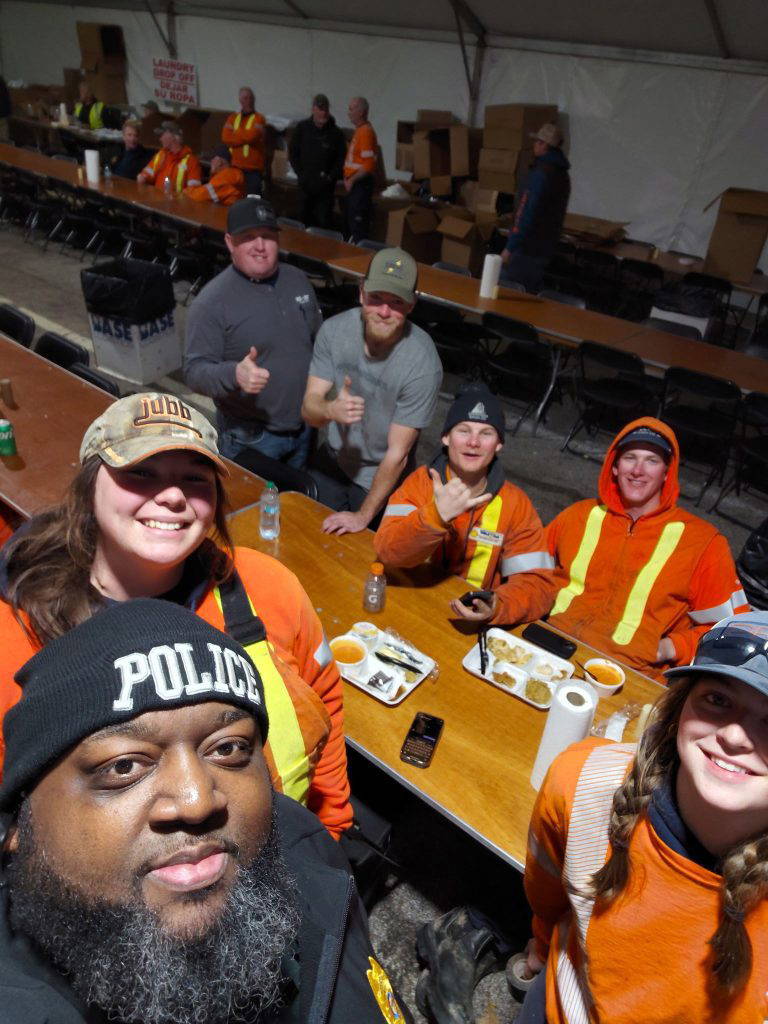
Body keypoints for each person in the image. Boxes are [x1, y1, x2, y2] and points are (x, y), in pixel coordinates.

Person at [0, 599, 405, 1023]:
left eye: (228, 748)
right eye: (124, 767)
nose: (197, 801)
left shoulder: (304, 846)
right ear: (19, 826)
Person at [0, 392, 352, 838]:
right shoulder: (17, 634)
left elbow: (326, 699)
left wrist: (331, 833)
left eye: (194, 478)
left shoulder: (267, 587)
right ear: (89, 488)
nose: (171, 496)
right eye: (140, 473)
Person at [520, 610, 768, 1024]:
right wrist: (544, 945)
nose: (735, 735)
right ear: (680, 708)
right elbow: (546, 891)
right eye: (718, 700)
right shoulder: (584, 781)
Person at [545, 417, 748, 681]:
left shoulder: (703, 542)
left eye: (652, 460)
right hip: (549, 646)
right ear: (615, 466)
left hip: (628, 673)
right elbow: (529, 575)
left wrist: (668, 648)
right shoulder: (579, 515)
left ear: (667, 472)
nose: (638, 470)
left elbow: (731, 631)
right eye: (630, 457)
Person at [374, 384, 556, 626]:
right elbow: (387, 552)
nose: (473, 442)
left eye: (486, 433)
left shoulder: (515, 504)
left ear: (499, 444)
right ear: (446, 438)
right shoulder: (421, 484)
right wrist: (435, 517)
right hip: (407, 604)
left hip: (468, 624)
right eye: (464, 430)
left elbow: (539, 585)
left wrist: (497, 606)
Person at [302, 247, 442, 535]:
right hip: (333, 461)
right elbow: (309, 412)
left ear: (412, 304)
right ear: (361, 292)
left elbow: (397, 455)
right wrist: (329, 409)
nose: (384, 311)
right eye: (376, 298)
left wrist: (362, 516)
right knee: (310, 538)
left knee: (365, 559)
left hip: (380, 477)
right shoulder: (334, 331)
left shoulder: (422, 362)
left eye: (396, 302)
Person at [185, 197, 322, 467]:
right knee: (249, 507)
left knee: (298, 505)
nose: (260, 246)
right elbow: (194, 371)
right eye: (249, 237)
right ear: (229, 242)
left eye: (268, 236)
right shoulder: (212, 301)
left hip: (306, 426)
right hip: (251, 437)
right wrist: (234, 373)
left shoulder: (297, 279)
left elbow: (316, 340)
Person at [501, 122, 570, 294]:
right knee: (528, 294)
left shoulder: (540, 174)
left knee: (507, 292)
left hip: (526, 248)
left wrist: (510, 248)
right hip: (545, 248)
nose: (534, 145)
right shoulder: (563, 175)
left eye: (537, 141)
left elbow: (526, 212)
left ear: (544, 145)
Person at [289, 93, 346, 229]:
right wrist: (301, 175)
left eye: (325, 109)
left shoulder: (336, 133)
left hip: (325, 188)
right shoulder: (302, 128)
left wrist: (330, 177)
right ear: (313, 109)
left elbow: (341, 159)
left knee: (323, 222)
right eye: (320, 109)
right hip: (305, 185)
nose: (323, 113)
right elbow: (293, 154)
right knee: (302, 220)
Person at [343, 96, 378, 242]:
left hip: (360, 187)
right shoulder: (359, 131)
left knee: (358, 228)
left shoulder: (365, 133)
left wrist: (352, 179)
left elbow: (368, 165)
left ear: (361, 112)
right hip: (354, 186)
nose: (348, 113)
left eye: (351, 109)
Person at [222, 86, 266, 196]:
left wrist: (236, 134)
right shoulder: (232, 118)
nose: (249, 101)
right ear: (240, 100)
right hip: (236, 167)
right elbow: (225, 138)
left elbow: (252, 136)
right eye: (246, 98)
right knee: (235, 198)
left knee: (253, 200)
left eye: (251, 98)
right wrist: (245, 136)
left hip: (253, 170)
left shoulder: (259, 118)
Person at [137, 120, 202, 194]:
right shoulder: (161, 155)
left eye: (162, 135)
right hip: (156, 201)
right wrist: (143, 177)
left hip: (177, 204)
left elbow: (194, 190)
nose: (160, 139)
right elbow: (147, 173)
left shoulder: (191, 161)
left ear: (172, 137)